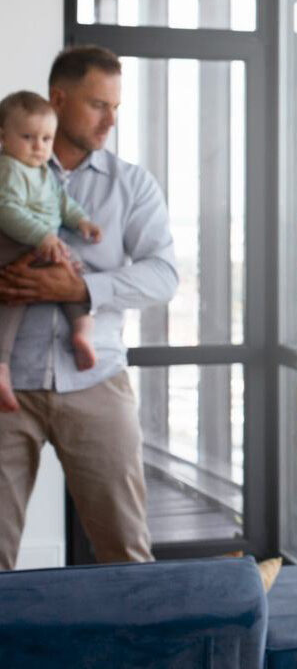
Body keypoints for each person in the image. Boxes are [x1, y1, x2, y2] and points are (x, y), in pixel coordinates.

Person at [0, 46, 178, 569]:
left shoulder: (132, 184)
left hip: (96, 378)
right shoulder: (5, 172)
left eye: (116, 107)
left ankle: (137, 655)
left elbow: (164, 275)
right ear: (59, 99)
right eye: (99, 105)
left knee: (126, 552)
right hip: (8, 388)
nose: (111, 121)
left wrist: (79, 290)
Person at [0, 90, 104, 409]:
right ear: (3, 137)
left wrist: (82, 221)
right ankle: (2, 366)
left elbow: (62, 202)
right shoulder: (9, 169)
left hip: (43, 244)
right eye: (28, 137)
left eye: (46, 139)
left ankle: (82, 330)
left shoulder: (44, 172)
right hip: (15, 243)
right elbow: (7, 209)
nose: (39, 147)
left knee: (72, 277)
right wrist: (42, 236)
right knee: (11, 298)